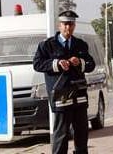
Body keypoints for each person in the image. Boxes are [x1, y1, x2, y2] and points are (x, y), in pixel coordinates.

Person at [33, 10, 95, 154]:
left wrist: (80, 61)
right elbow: (37, 64)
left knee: (82, 133)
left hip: (79, 96)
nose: (68, 27)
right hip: (61, 97)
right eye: (65, 24)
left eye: (71, 24)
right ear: (59, 25)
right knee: (61, 134)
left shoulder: (80, 44)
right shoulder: (47, 45)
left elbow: (91, 64)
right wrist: (57, 63)